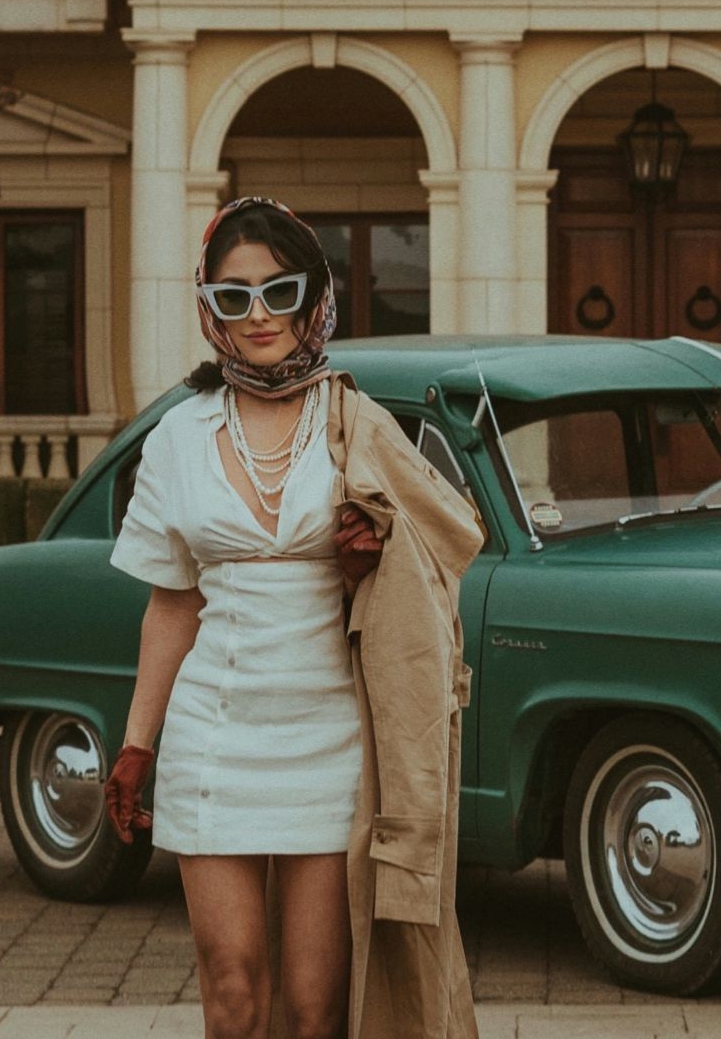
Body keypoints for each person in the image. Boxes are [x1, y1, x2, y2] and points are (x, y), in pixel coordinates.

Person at [99, 195, 480, 1039]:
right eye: (234, 297)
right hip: (214, 739)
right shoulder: (177, 437)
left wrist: (365, 571)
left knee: (315, 1010)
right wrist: (136, 745)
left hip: (332, 743)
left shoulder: (360, 427)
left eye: (279, 291)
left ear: (314, 296)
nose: (259, 315)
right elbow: (172, 603)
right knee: (234, 996)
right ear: (210, 308)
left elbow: (439, 562)